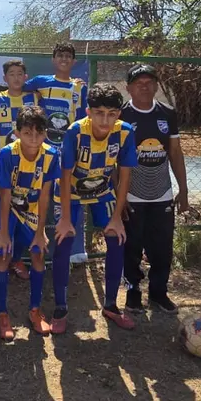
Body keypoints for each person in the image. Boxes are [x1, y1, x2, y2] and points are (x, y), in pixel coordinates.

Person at [0, 42, 89, 263]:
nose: (64, 59)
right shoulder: (36, 85)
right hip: (13, 160)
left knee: (54, 201)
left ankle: (64, 251)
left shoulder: (73, 88)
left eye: (68, 56)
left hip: (49, 158)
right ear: (53, 59)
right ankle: (2, 257)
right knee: (6, 206)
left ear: (74, 61)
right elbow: (10, 90)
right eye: (60, 55)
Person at [53, 83, 137, 334]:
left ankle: (111, 305)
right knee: (63, 241)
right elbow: (64, 177)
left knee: (116, 238)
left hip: (102, 191)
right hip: (70, 192)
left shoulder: (125, 132)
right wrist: (65, 219)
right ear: (89, 112)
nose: (105, 120)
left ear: (119, 114)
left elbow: (125, 176)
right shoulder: (76, 132)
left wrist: (117, 217)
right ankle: (60, 308)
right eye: (99, 113)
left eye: (112, 114)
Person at [121, 64, 188, 314]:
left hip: (162, 192)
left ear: (157, 86)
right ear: (128, 88)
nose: (144, 86)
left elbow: (175, 152)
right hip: (131, 193)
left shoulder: (167, 113)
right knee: (131, 247)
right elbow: (115, 158)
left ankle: (159, 293)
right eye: (138, 83)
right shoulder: (121, 114)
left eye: (149, 82)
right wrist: (120, 195)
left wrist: (183, 189)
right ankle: (132, 293)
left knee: (162, 247)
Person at [0, 105, 59, 339]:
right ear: (17, 133)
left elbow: (45, 195)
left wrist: (41, 232)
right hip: (8, 207)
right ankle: (2, 314)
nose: (33, 138)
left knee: (38, 254)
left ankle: (35, 310)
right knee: (2, 255)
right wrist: (3, 231)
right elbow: (4, 194)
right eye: (27, 132)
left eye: (38, 133)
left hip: (32, 208)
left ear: (45, 133)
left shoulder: (51, 155)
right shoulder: (7, 154)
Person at [0, 59, 39, 281]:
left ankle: (16, 258)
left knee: (24, 214)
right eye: (11, 74)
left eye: (20, 74)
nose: (16, 78)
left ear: (25, 77)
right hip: (2, 166)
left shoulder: (34, 98)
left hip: (29, 167)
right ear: (4, 78)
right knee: (0, 216)